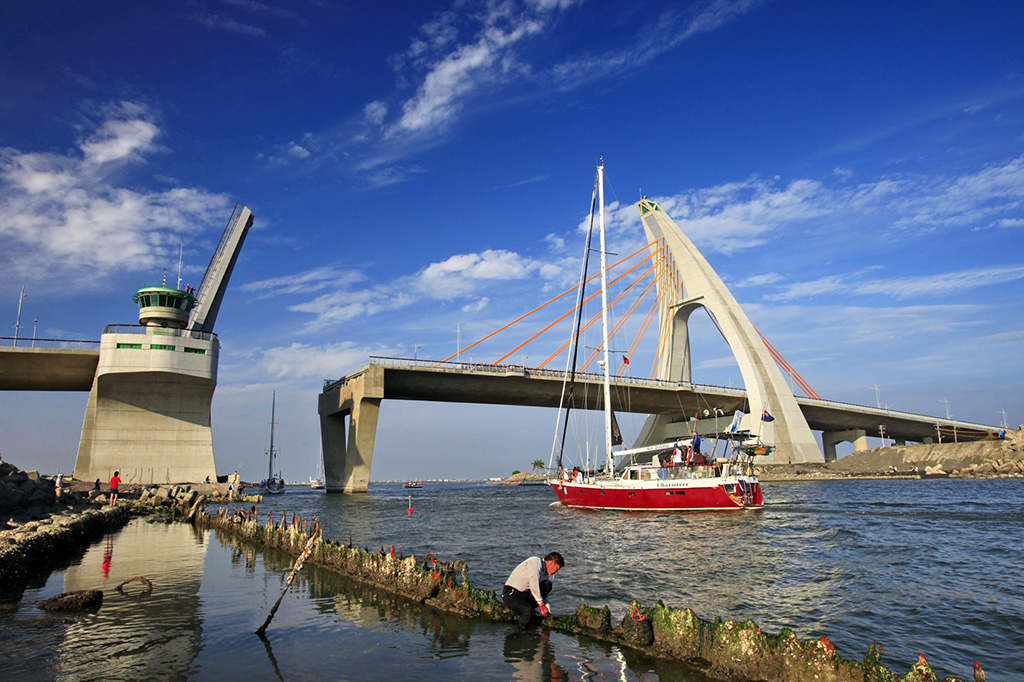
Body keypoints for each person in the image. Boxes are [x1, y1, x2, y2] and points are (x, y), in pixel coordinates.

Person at [502, 552, 564, 629]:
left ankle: (530, 610)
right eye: (557, 568)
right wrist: (541, 605)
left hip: (524, 594)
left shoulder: (545, 574)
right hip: (511, 594)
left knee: (547, 584)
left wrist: (548, 611)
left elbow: (545, 596)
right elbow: (533, 584)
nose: (556, 572)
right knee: (526, 610)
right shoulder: (535, 562)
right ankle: (521, 632)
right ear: (552, 562)